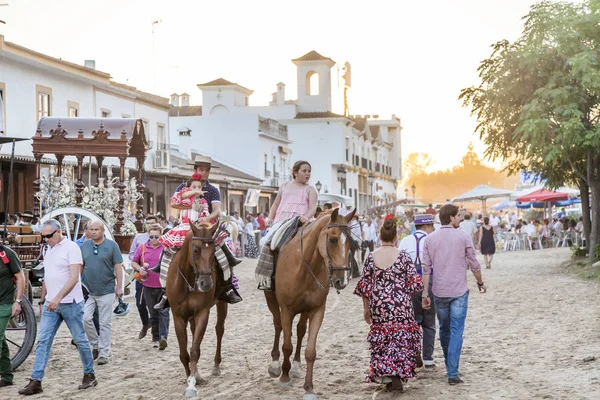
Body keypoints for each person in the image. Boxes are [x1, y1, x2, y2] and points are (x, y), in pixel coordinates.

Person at [19, 220, 97, 395]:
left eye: (48, 236)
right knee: (43, 341)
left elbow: (74, 277)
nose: (45, 239)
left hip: (71, 303)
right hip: (51, 304)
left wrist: (58, 297)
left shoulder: (72, 248)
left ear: (58, 232)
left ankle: (89, 374)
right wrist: (43, 300)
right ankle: (36, 380)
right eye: (43, 236)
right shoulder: (48, 249)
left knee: (80, 340)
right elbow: (49, 276)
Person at [152, 156, 242, 306]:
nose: (204, 172)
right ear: (195, 170)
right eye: (201, 169)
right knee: (167, 251)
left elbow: (216, 212)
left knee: (221, 249)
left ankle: (228, 287)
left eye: (207, 170)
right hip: (185, 224)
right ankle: (165, 291)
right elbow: (175, 204)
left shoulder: (213, 190)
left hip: (206, 227)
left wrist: (205, 220)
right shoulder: (183, 187)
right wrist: (190, 206)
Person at [354, 216, 423, 392]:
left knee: (383, 339)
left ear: (380, 236)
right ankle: (398, 373)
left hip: (379, 304)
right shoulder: (404, 256)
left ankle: (387, 374)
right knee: (400, 338)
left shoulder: (371, 257)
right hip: (401, 303)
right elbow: (415, 284)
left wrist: (366, 308)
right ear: (395, 237)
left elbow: (365, 286)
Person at [421, 204, 487, 385]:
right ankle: (452, 372)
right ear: (450, 217)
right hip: (458, 291)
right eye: (458, 216)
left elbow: (426, 269)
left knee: (444, 329)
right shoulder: (463, 237)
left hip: (439, 291)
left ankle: (449, 365)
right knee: (457, 330)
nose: (460, 218)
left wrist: (424, 293)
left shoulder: (430, 239)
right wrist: (480, 282)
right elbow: (474, 263)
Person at [255, 160, 318, 291]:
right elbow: (276, 204)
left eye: (309, 171)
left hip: (300, 223)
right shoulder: (284, 186)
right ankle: (268, 276)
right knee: (268, 243)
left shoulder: (311, 190)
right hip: (281, 223)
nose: (307, 174)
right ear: (295, 172)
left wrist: (305, 216)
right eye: (304, 171)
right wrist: (270, 217)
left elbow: (313, 208)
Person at [81, 221, 123, 366]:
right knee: (85, 319)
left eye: (96, 229)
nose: (93, 232)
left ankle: (104, 352)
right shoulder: (85, 246)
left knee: (105, 323)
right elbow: (81, 266)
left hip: (107, 290)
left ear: (103, 230)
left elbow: (118, 267)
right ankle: (95, 345)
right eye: (91, 229)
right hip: (88, 290)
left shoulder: (112, 246)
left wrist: (119, 287)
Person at [399, 214, 436, 369]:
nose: (433, 228)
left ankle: (414, 355)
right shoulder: (432, 239)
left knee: (413, 321)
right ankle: (428, 359)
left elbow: (399, 263)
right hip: (429, 280)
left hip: (410, 283)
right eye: (432, 225)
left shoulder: (405, 241)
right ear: (426, 226)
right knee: (429, 323)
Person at [131, 225, 169, 350]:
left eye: (156, 236)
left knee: (164, 311)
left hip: (164, 285)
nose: (153, 239)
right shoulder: (142, 247)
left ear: (161, 235)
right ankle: (156, 336)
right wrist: (139, 268)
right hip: (148, 284)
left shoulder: (166, 247)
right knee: (153, 312)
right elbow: (134, 261)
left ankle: (163, 337)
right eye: (151, 236)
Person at [128, 215, 158, 340]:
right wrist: (139, 266)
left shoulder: (160, 238)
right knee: (140, 304)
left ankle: (156, 333)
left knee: (154, 306)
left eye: (152, 223)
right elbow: (131, 255)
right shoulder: (139, 238)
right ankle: (146, 323)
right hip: (141, 276)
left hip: (155, 277)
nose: (150, 225)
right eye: (148, 222)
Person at [0, 244, 24, 388]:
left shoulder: (7, 254)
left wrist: (18, 301)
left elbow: (20, 277)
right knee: (1, 341)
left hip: (5, 304)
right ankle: (7, 376)